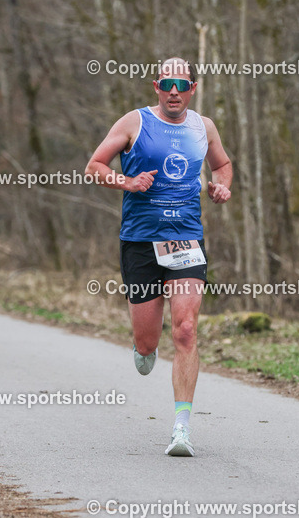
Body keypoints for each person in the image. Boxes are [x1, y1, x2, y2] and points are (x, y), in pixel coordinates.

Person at [85, 57, 232, 457]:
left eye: (181, 85)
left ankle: (181, 428)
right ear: (156, 86)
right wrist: (126, 182)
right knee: (148, 342)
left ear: (192, 89)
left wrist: (221, 186)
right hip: (140, 241)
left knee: (185, 330)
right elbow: (94, 166)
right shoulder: (134, 122)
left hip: (185, 239)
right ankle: (144, 347)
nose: (173, 91)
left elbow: (223, 164)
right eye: (167, 83)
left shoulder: (204, 127)